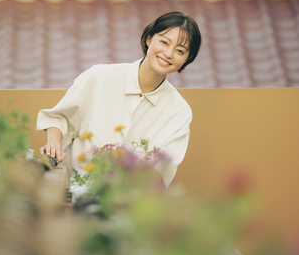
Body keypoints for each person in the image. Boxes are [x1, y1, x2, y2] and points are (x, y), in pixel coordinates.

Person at [36, 11, 202, 187]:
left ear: (187, 59)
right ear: (149, 39)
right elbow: (60, 117)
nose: (168, 53)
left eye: (180, 51)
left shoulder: (179, 111)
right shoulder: (99, 77)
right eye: (164, 42)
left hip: (127, 197)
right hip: (73, 186)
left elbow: (162, 170)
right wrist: (54, 144)